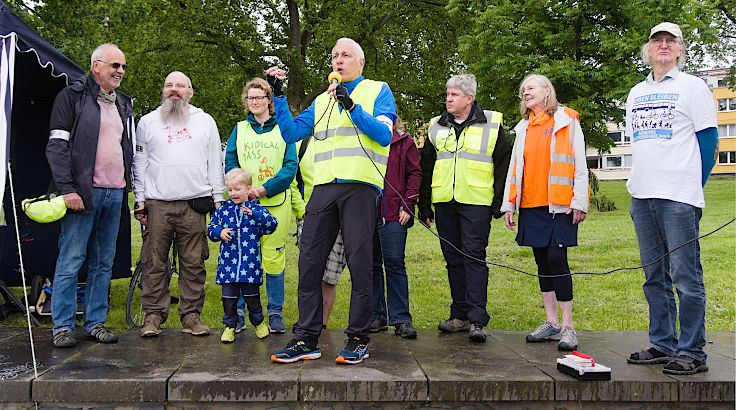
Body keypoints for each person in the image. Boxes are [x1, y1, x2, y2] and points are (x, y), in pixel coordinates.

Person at [268, 37, 397, 364]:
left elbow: (384, 136)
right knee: (309, 262)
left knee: (360, 264)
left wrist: (351, 105)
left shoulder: (377, 90)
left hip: (360, 187)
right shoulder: (322, 99)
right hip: (323, 189)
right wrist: (279, 97)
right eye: (334, 56)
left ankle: (358, 338)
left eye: (345, 55)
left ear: (361, 62)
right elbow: (291, 133)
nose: (338, 60)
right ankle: (306, 338)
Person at [624, 22, 718, 375]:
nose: (663, 46)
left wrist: (694, 187)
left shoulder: (693, 87)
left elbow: (709, 143)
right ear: (648, 50)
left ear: (680, 49)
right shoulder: (635, 92)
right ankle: (663, 344)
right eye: (657, 41)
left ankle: (692, 351)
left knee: (685, 277)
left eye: (670, 41)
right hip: (642, 195)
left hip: (678, 196)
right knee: (653, 277)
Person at [46, 43, 134, 348]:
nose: (120, 72)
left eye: (123, 67)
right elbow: (56, 147)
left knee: (103, 262)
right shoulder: (71, 96)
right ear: (96, 66)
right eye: (115, 65)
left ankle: (95, 322)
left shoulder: (123, 103)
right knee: (71, 259)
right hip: (83, 194)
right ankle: (63, 326)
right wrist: (68, 189)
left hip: (115, 192)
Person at [418, 74, 511, 343]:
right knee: (453, 259)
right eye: (447, 94)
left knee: (474, 257)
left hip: (477, 202)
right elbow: (426, 167)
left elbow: (503, 165)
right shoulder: (436, 126)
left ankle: (477, 319)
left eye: (454, 95)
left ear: (469, 98)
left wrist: (499, 203)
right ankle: (458, 315)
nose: (448, 99)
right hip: (445, 201)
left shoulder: (492, 123)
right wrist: (425, 205)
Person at [133, 71, 226, 338]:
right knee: (153, 262)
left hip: (193, 205)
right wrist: (140, 201)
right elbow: (139, 164)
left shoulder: (205, 121)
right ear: (163, 91)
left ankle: (191, 315)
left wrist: (218, 201)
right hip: (157, 204)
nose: (174, 90)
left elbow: (214, 163)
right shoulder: (148, 122)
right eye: (169, 85)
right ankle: (153, 315)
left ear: (190, 92)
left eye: (180, 86)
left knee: (193, 263)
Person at [501, 74, 588, 351]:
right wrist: (509, 204)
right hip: (531, 205)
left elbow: (580, 163)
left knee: (556, 259)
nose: (525, 92)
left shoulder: (566, 120)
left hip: (559, 205)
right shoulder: (523, 127)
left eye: (531, 87)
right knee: (542, 263)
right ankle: (551, 323)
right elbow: (515, 168)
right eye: (522, 89)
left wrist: (580, 201)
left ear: (547, 91)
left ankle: (568, 326)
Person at [224, 78, 297, 334]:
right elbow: (231, 163)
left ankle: (275, 312)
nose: (254, 102)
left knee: (274, 259)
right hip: (244, 207)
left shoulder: (285, 129)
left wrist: (264, 189)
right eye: (249, 98)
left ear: (269, 99)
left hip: (275, 202)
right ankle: (242, 312)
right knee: (246, 259)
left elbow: (290, 167)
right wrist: (243, 191)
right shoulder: (239, 129)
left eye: (259, 97)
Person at [208, 168, 278, 343]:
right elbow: (210, 229)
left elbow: (272, 225)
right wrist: (220, 231)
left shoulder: (256, 210)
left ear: (248, 189)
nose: (233, 193)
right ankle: (230, 326)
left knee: (252, 300)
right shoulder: (223, 211)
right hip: (228, 267)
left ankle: (259, 323)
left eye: (237, 189)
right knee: (229, 301)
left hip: (250, 266)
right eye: (230, 189)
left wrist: (255, 215)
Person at [371, 116, 421, 339]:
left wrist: (407, 204)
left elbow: (414, 174)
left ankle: (401, 318)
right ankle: (376, 315)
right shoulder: (363, 139)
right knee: (370, 265)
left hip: (395, 212)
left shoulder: (404, 141)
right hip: (366, 212)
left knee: (394, 263)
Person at [289, 137, 347, 330]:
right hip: (310, 216)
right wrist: (302, 211)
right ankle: (306, 322)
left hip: (340, 217)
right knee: (309, 273)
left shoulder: (345, 138)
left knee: (329, 276)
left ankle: (321, 324)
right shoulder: (301, 144)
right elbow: (292, 182)